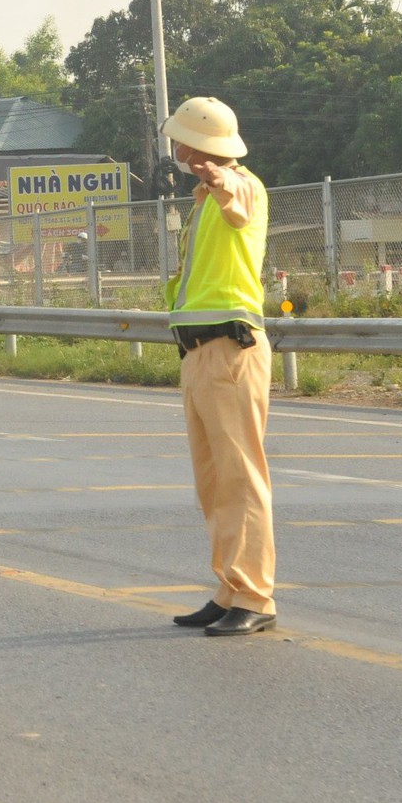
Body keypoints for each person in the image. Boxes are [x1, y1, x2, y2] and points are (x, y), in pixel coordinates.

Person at [159, 96, 276, 638]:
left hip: (231, 350)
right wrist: (210, 186)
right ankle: (229, 589)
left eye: (181, 139)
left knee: (240, 477)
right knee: (213, 481)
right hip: (200, 351)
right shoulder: (205, 199)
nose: (175, 148)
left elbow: (241, 203)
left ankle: (255, 595)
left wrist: (220, 179)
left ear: (201, 145)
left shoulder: (241, 184)